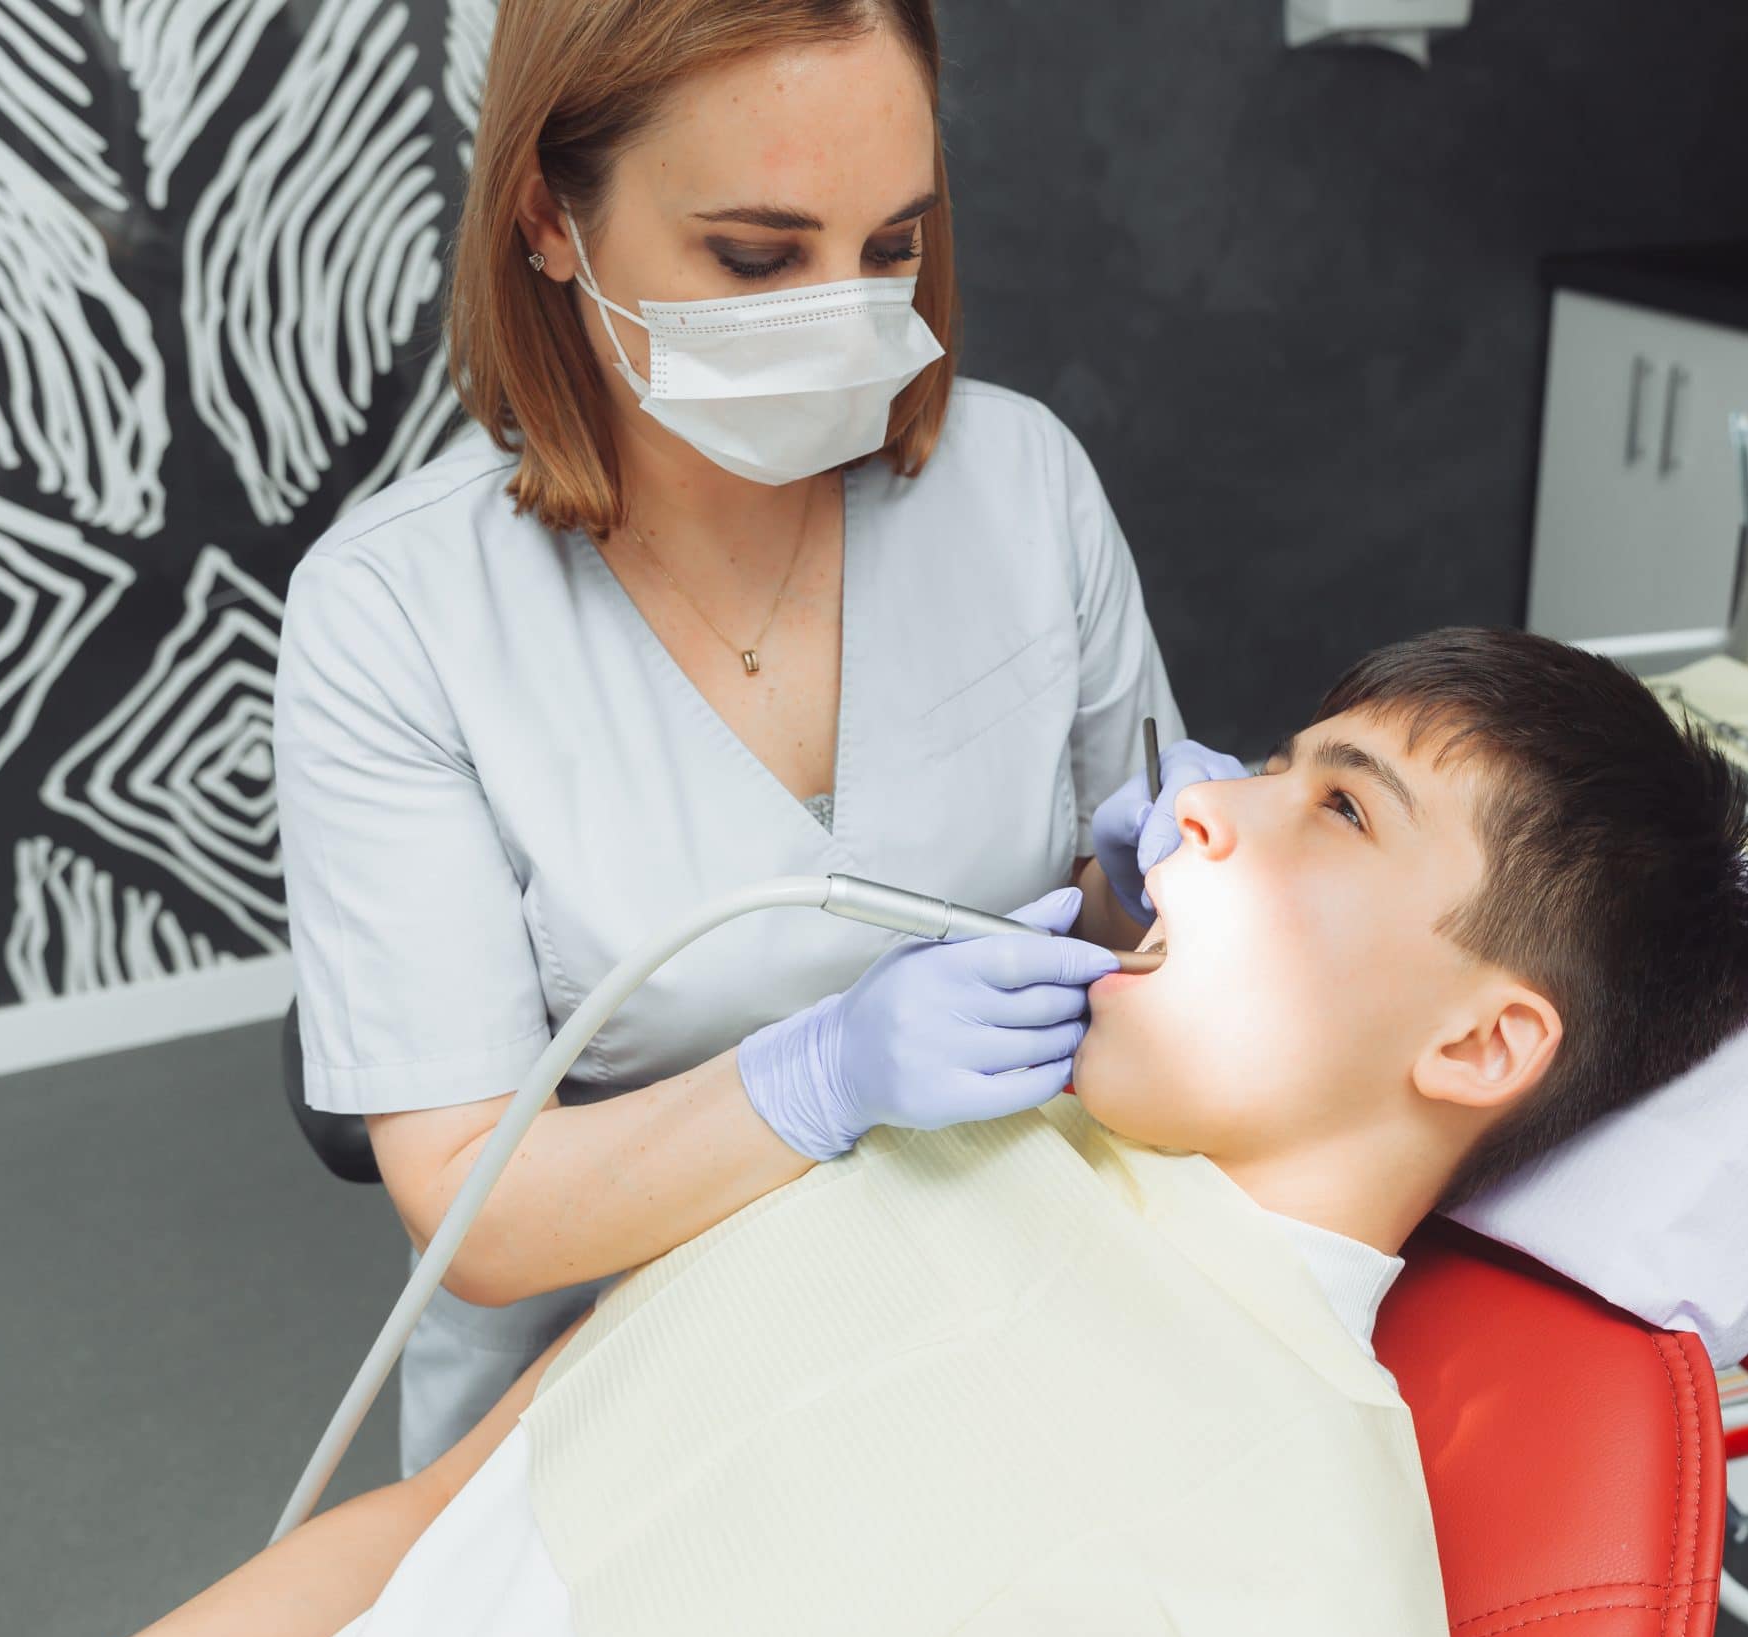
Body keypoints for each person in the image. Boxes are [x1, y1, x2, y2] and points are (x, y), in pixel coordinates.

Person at [43, 630, 1748, 1637]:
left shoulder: (1302, 1603)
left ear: (1487, 1045)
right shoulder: (919, 1151)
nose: (1199, 809)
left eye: (1338, 808)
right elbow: (428, 1536)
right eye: (1268, 765)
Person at [273, 0, 1251, 1474]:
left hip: (1003, 1309)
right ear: (549, 217)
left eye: (895, 244)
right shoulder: (395, 614)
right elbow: (476, 1211)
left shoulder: (1024, 486)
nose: (851, 316)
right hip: (612, 1393)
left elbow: (1132, 955)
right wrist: (815, 1080)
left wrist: (1150, 893)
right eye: (755, 257)